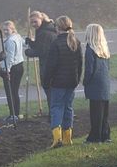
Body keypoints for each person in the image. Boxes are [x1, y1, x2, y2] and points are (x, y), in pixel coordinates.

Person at [44, 16, 83, 148]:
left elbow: (50, 66)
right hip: (71, 81)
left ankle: (57, 138)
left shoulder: (55, 44)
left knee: (56, 108)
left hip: (58, 82)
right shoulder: (76, 42)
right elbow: (80, 64)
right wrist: (77, 79)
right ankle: (68, 138)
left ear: (57, 28)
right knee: (68, 108)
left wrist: (46, 80)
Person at [82, 24, 111, 143]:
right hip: (105, 83)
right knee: (104, 112)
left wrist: (85, 81)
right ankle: (105, 135)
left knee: (95, 112)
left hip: (95, 84)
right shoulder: (104, 49)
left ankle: (95, 136)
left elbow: (89, 69)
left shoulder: (90, 50)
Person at [25, 11, 57, 116]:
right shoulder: (43, 30)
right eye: (32, 23)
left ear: (41, 19)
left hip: (49, 66)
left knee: (50, 91)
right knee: (51, 91)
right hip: (49, 64)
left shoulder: (45, 33)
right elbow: (40, 46)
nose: (33, 25)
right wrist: (30, 42)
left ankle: (53, 115)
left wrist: (29, 52)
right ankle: (53, 113)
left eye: (35, 22)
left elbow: (42, 51)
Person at [0, 20, 25, 124]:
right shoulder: (17, 36)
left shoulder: (11, 41)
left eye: (7, 29)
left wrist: (7, 71)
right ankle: (15, 114)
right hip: (19, 66)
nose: (5, 31)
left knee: (10, 92)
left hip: (13, 68)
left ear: (12, 29)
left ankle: (13, 115)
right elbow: (24, 42)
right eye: (4, 29)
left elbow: (10, 57)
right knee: (14, 91)